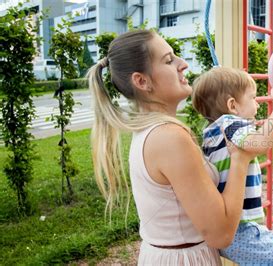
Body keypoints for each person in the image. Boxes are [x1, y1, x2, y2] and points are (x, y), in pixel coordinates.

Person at [87, 30, 256, 265]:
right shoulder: (169, 137)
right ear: (141, 81)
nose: (183, 64)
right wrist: (241, 158)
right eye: (169, 60)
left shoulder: (150, 130)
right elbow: (221, 234)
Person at [192, 67, 273, 265]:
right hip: (241, 228)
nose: (257, 104)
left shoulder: (212, 130)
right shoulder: (230, 123)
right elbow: (260, 143)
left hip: (230, 227)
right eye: (253, 98)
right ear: (232, 105)